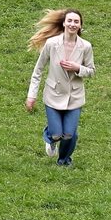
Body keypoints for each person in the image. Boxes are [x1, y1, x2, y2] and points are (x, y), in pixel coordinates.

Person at [25, 9, 95, 167]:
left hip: (74, 97)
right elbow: (38, 71)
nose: (72, 24)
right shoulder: (51, 43)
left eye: (76, 21)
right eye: (69, 21)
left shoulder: (85, 46)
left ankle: (64, 161)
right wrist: (31, 96)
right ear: (63, 23)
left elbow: (91, 71)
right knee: (57, 134)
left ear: (80, 25)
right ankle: (51, 138)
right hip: (53, 95)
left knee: (69, 134)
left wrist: (77, 68)